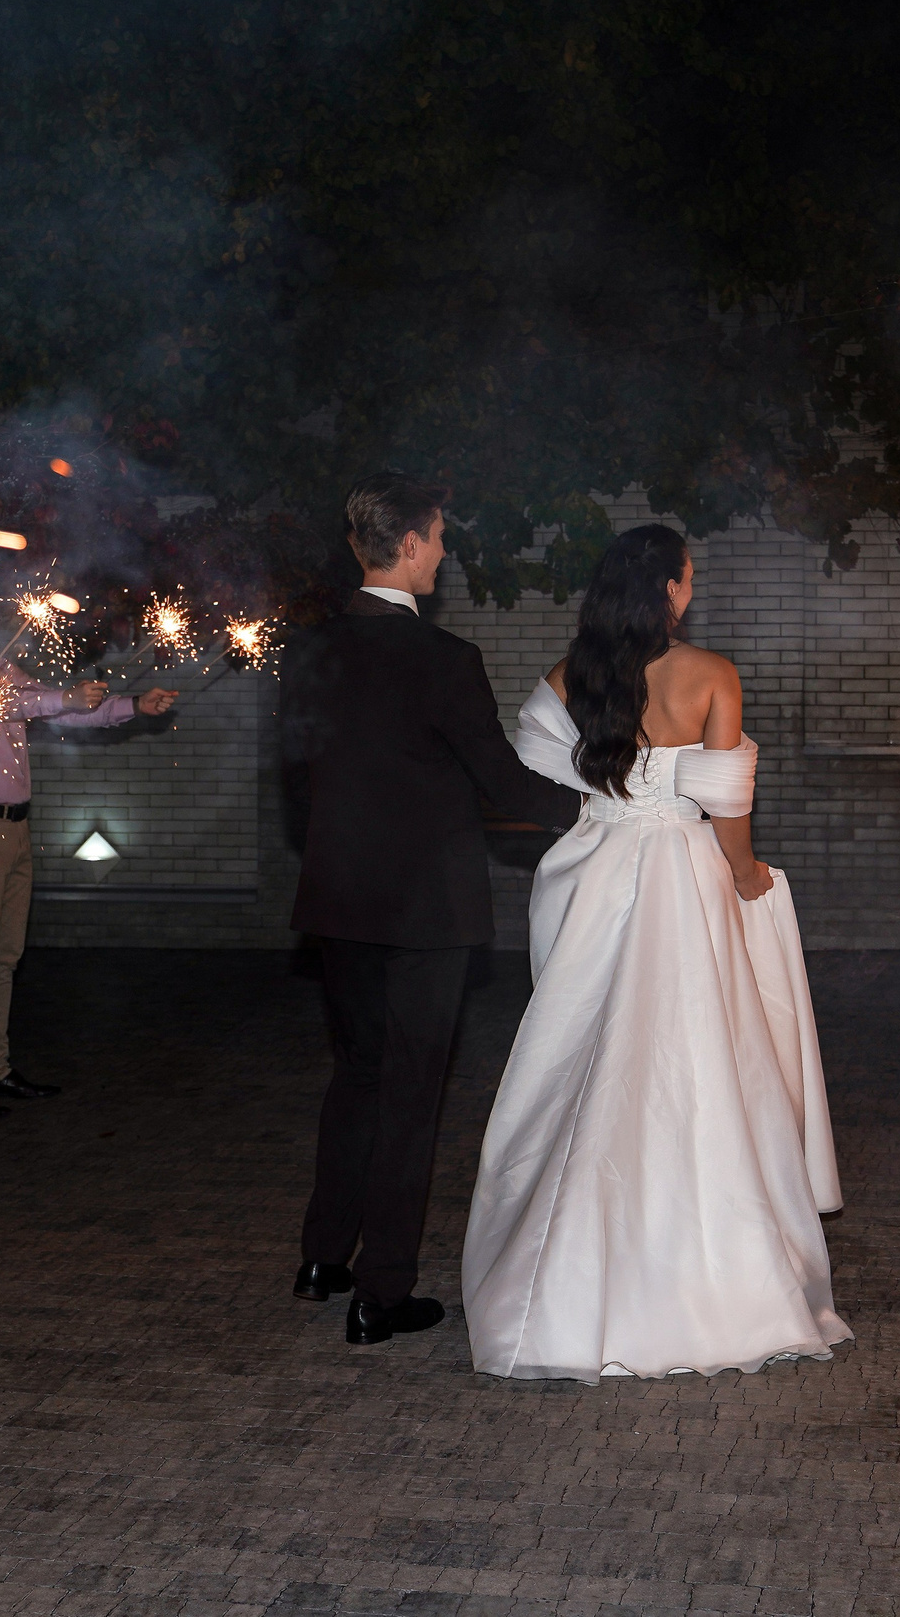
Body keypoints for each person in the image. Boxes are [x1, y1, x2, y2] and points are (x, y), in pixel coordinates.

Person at [462, 524, 847, 1380]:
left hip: (598, 873)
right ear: (668, 588)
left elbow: (534, 778)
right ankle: (713, 1271)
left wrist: (609, 809)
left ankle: (572, 1278)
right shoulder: (711, 674)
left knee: (595, 1058)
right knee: (695, 1058)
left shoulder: (572, 677)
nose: (693, 590)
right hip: (681, 870)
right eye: (689, 577)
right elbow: (726, 804)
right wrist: (746, 876)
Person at [278, 473, 582, 1346]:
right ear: (407, 544)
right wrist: (594, 805)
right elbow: (502, 781)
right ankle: (383, 1291)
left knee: (359, 1076)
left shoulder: (309, 653)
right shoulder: (445, 660)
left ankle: (321, 1257)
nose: (445, 554)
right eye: (440, 539)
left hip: (338, 901)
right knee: (411, 1093)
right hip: (426, 913)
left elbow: (295, 780)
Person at [0, 568, 177, 1119]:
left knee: (4, 956)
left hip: (12, 827)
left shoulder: (3, 669)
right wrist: (62, 694)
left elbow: (59, 706)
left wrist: (132, 705)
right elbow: (8, 704)